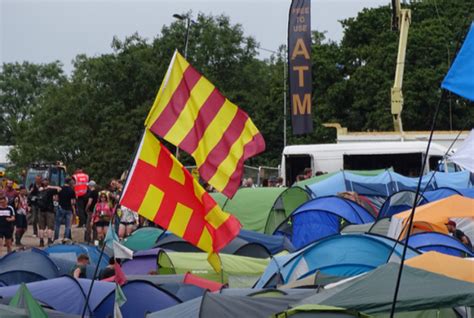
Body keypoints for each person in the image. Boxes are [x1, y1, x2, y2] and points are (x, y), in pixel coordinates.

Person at [37, 179, 57, 247]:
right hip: (49, 210)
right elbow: (59, 189)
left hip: (41, 210)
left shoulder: (39, 190)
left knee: (41, 228)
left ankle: (41, 241)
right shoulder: (50, 190)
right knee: (50, 227)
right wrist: (50, 187)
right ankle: (49, 240)